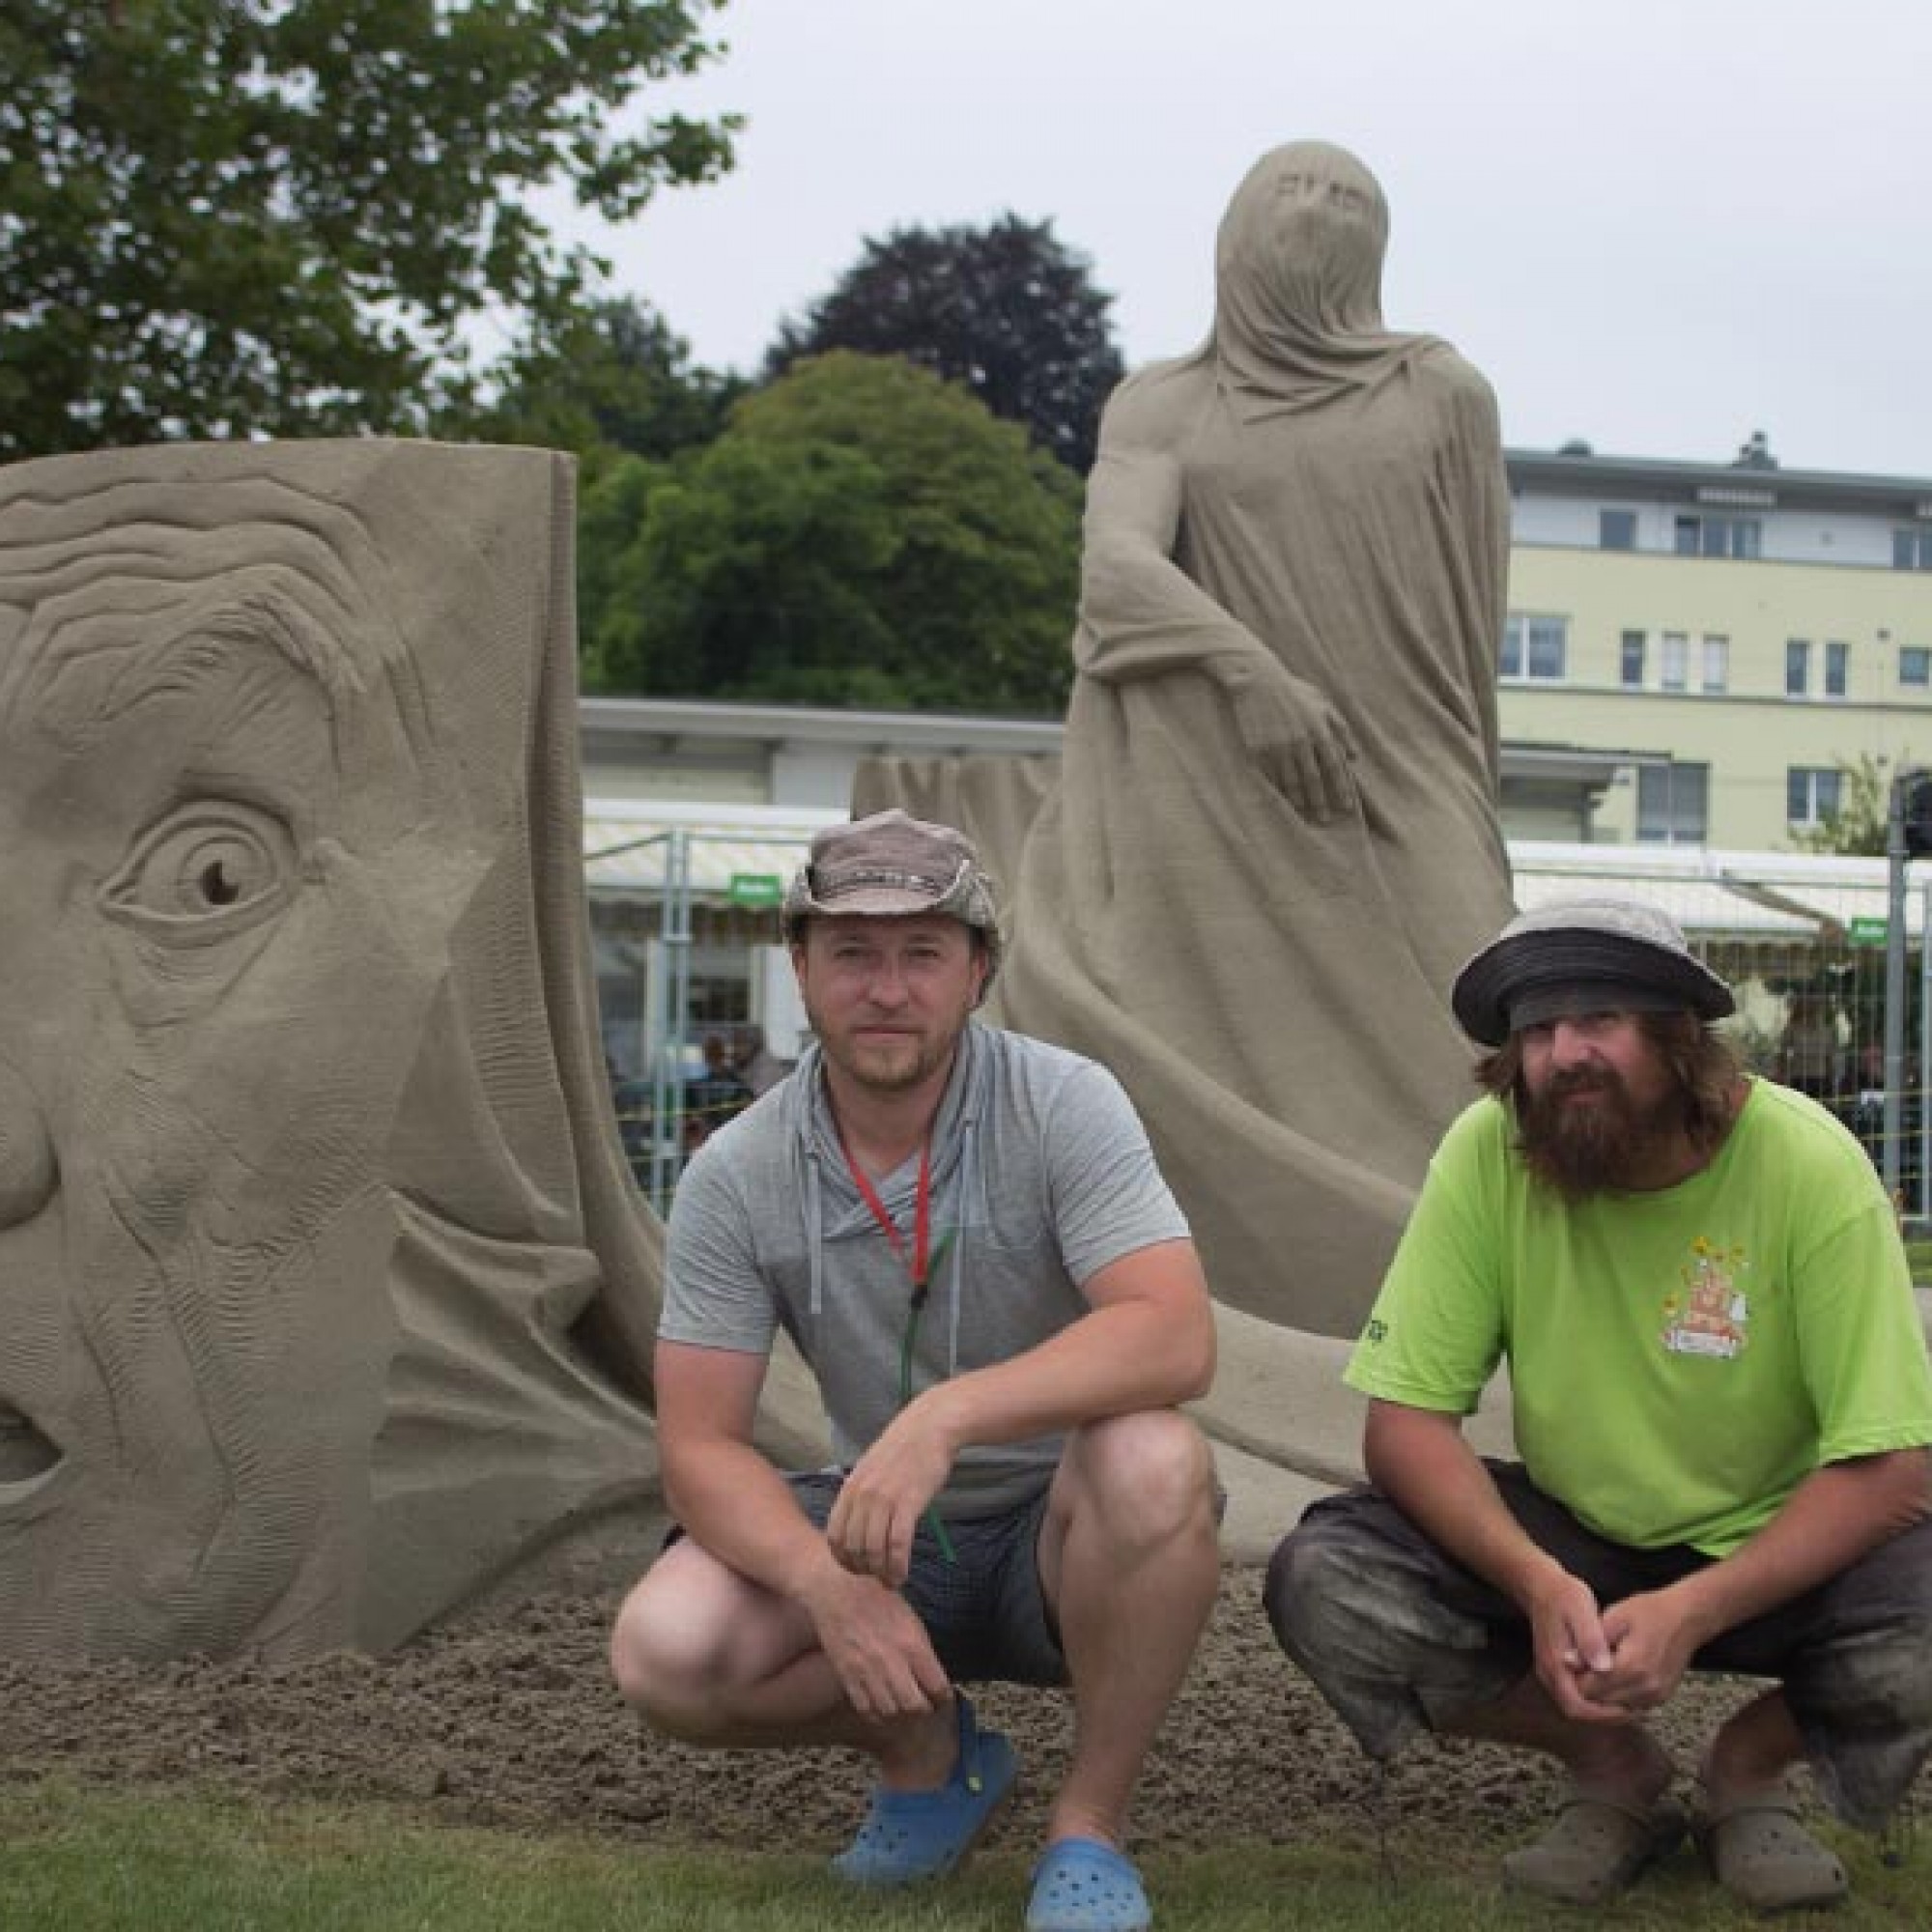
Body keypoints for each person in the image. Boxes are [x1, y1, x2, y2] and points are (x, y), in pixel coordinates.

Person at [610, 809, 1220, 1932]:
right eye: (851, 952)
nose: (886, 988)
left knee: (1155, 1454)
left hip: (1057, 1530)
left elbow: (1173, 1334)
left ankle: (1087, 1829)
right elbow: (698, 1446)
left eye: (922, 952)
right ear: (799, 968)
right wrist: (822, 1584)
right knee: (665, 1648)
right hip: (883, 1539)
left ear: (978, 970)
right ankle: (931, 1760)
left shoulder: (1063, 1102)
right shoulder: (733, 1173)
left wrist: (948, 1413)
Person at [1265, 899, 1932, 1912]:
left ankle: (1744, 1773)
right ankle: (1614, 1768)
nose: (1564, 1053)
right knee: (1328, 1577)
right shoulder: (1486, 1151)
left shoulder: (1807, 1162)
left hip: (1778, 1538)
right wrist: (1535, 1582)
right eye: (1536, 1030)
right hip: (1578, 1534)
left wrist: (1694, 1606)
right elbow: (1401, 1423)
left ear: (1677, 1040)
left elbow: (1891, 1468)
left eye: (1599, 1020)